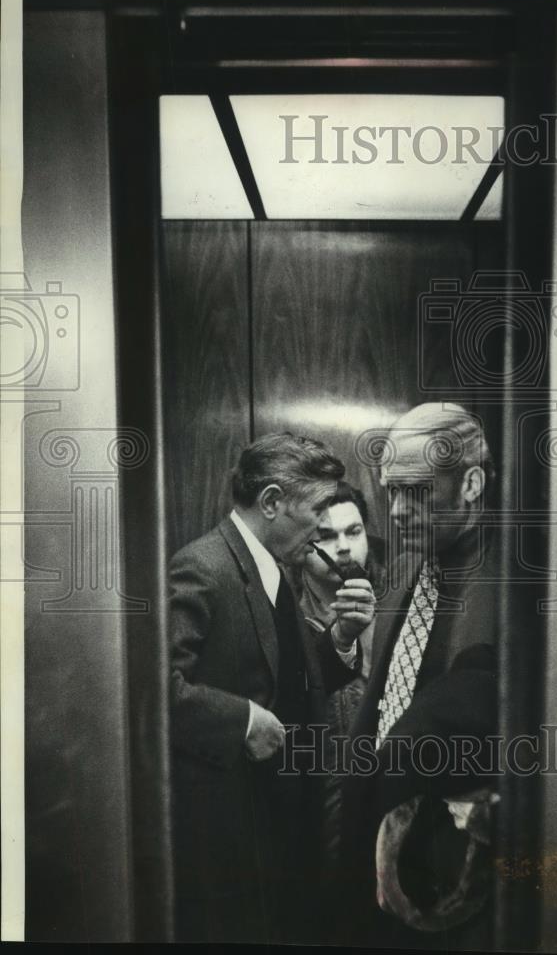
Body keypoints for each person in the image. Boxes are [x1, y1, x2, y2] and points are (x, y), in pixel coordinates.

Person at [168, 432, 375, 944]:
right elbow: (152, 690)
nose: (322, 524)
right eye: (317, 508)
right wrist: (241, 720)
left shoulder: (273, 570)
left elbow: (293, 684)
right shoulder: (203, 566)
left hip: (284, 829)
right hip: (237, 833)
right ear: (272, 502)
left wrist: (342, 640)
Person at [337, 403, 500, 949]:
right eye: (392, 491)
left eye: (418, 491)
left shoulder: (515, 586)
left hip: (456, 884)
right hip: (377, 866)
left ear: (471, 484)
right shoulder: (408, 564)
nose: (399, 511)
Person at [292, 481, 386, 873]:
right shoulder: (284, 620)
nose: (344, 547)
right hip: (315, 809)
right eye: (326, 536)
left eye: (354, 531)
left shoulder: (400, 602)